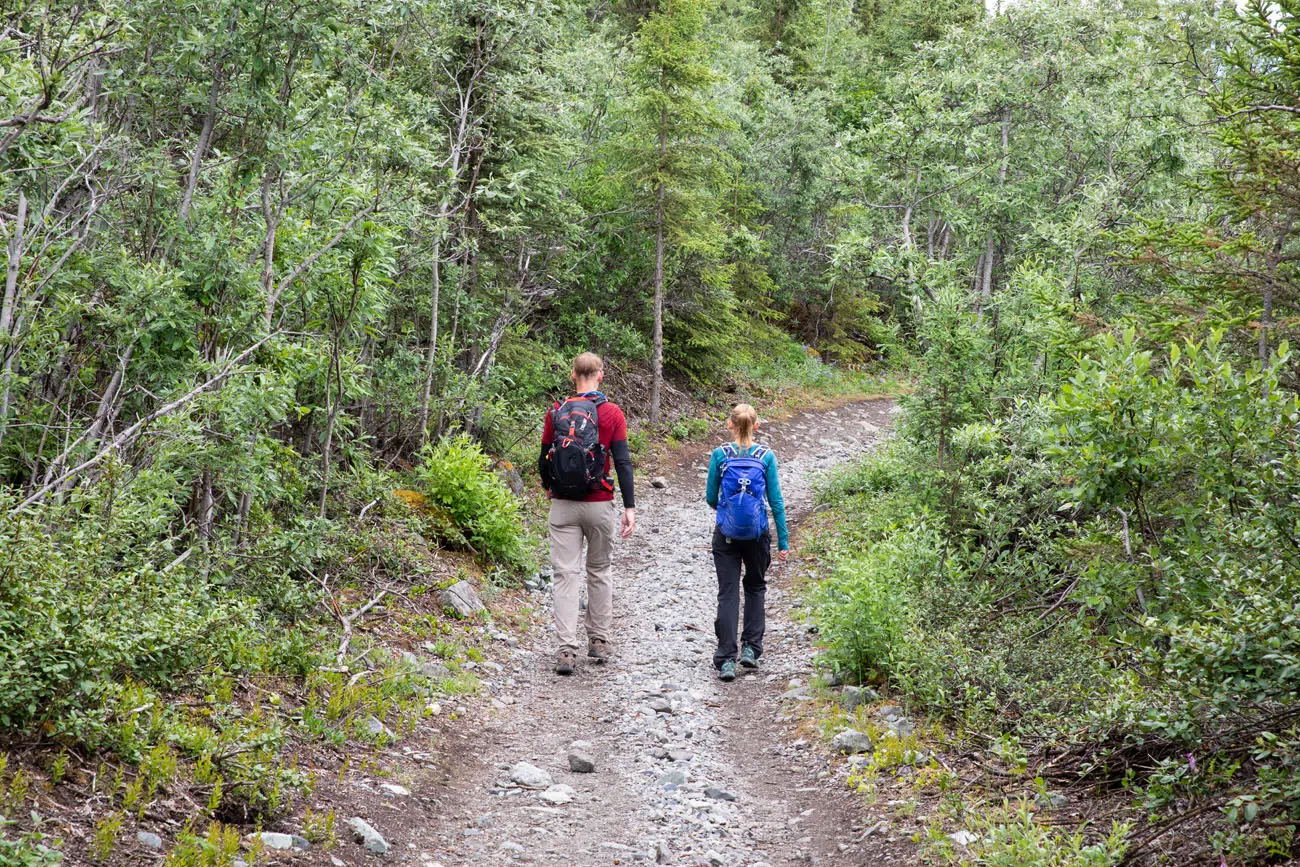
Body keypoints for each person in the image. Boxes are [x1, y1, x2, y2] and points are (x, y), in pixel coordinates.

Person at [540, 353, 636, 675]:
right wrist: (629, 507)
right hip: (599, 504)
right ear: (601, 375)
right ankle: (598, 640)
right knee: (599, 570)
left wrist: (551, 489)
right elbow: (622, 462)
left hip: (563, 505)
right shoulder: (612, 413)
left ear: (573, 375)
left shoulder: (556, 412)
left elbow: (543, 459)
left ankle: (566, 650)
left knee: (565, 575)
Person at [704, 403, 789, 682]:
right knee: (755, 587)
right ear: (757, 425)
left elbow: (711, 498)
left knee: (728, 593)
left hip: (726, 534)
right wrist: (783, 542)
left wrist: (728, 510)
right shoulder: (766, 456)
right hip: (757, 533)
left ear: (730, 425)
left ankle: (726, 659)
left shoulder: (720, 455)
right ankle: (751, 648)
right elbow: (776, 501)